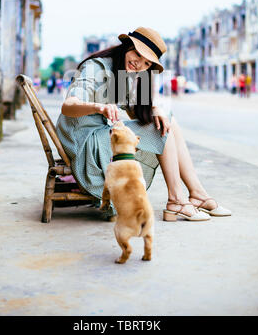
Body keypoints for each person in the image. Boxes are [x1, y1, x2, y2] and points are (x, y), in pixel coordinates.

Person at [56, 27, 231, 221]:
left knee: (167, 120)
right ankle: (177, 200)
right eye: (137, 54)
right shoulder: (95, 67)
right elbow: (68, 106)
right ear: (127, 46)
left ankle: (198, 194)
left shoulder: (121, 71)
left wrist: (155, 109)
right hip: (82, 142)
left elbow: (133, 109)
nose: (139, 64)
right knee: (159, 130)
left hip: (99, 134)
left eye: (147, 63)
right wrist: (98, 107)